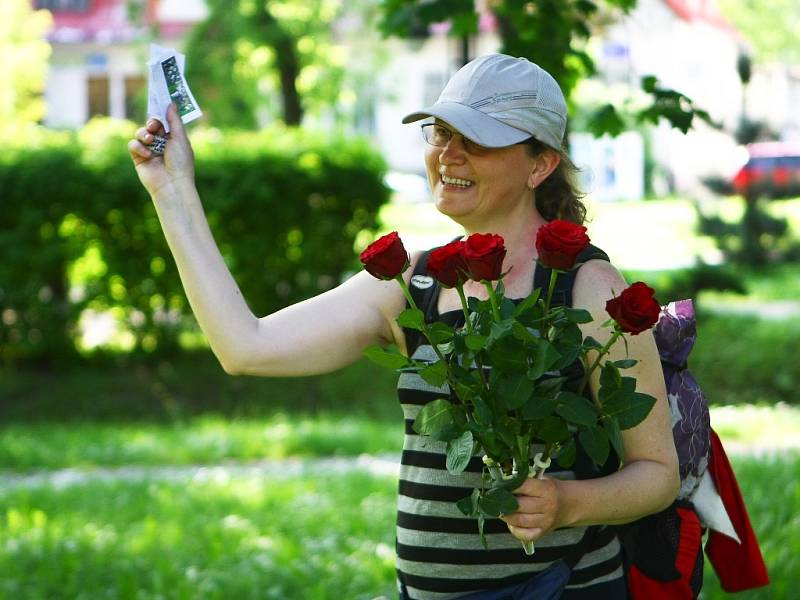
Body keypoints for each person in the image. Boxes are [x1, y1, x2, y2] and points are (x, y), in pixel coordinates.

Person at [128, 53, 679, 599]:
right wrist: (172, 191)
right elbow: (245, 348)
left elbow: (657, 472)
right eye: (441, 133)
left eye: (478, 141)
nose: (449, 155)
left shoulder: (587, 287)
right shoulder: (413, 283)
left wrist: (567, 504)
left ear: (540, 165)